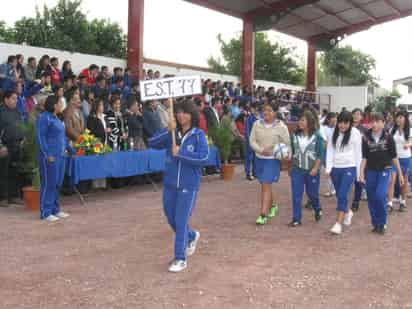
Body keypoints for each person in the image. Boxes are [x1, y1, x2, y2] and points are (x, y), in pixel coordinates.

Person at [149, 99, 209, 273]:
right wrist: (168, 130)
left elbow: (204, 158)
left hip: (188, 185)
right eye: (179, 112)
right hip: (169, 184)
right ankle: (192, 236)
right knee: (172, 219)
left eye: (185, 112)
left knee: (181, 221)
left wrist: (181, 153)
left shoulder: (198, 135)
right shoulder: (172, 133)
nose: (181, 115)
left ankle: (180, 258)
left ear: (192, 115)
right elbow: (152, 143)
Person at [360, 112, 403, 235]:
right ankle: (376, 223)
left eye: (378, 121)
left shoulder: (389, 137)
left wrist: (399, 173)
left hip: (385, 170)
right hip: (371, 171)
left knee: (380, 195)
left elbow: (394, 157)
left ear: (384, 123)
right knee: (372, 198)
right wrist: (361, 173)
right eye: (373, 121)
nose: (375, 124)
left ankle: (383, 222)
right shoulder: (366, 137)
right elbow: (364, 157)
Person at [249, 102, 290, 225]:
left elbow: (287, 143)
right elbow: (252, 140)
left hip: (272, 160)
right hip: (259, 158)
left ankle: (263, 214)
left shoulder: (281, 127)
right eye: (265, 110)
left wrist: (285, 155)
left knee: (265, 184)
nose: (266, 113)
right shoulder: (256, 124)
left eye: (270, 110)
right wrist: (261, 150)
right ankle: (273, 206)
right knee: (264, 184)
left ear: (276, 113)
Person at [37, 95, 73, 222]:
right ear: (54, 105)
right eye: (59, 103)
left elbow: (62, 136)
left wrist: (69, 147)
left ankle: (55, 209)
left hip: (61, 156)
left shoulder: (57, 118)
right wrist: (47, 154)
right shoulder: (44, 118)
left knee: (58, 183)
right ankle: (45, 212)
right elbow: (41, 137)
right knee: (49, 183)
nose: (61, 105)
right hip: (50, 157)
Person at [326, 111, 362, 235]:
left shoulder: (356, 133)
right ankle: (347, 212)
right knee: (340, 195)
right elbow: (330, 150)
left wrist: (358, 173)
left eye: (346, 123)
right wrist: (328, 168)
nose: (342, 125)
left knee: (342, 194)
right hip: (335, 168)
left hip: (349, 167)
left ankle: (338, 223)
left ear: (350, 123)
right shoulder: (332, 133)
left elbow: (359, 153)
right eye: (340, 122)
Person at [289, 110, 325, 227]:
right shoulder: (294, 136)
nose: (300, 122)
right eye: (300, 120)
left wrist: (316, 168)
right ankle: (296, 219)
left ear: (309, 122)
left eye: (303, 120)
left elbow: (320, 154)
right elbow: (292, 152)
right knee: (296, 195)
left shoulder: (317, 137)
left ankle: (317, 207)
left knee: (312, 194)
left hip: (312, 170)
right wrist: (289, 163)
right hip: (297, 169)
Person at [0, 90, 25, 207]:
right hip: (5, 146)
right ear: (6, 99)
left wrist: (22, 140)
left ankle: (14, 196)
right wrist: (1, 146)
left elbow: (21, 127)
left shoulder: (16, 112)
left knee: (15, 172)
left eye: (16, 98)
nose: (16, 100)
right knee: (3, 172)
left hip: (17, 145)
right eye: (13, 98)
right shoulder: (1, 112)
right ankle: (3, 198)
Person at [388, 110, 412, 212]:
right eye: (397, 117)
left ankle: (403, 202)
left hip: (406, 158)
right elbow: (388, 142)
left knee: (404, 182)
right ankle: (390, 203)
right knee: (391, 181)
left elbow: (411, 141)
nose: (399, 119)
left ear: (405, 119)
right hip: (394, 159)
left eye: (401, 117)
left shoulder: (409, 130)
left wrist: (408, 144)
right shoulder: (392, 129)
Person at [351, 108, 368, 211]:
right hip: (348, 158)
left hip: (360, 158)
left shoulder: (364, 130)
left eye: (359, 114)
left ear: (361, 117)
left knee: (358, 180)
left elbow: (367, 144)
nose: (356, 116)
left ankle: (356, 201)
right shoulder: (346, 127)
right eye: (355, 114)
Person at [320, 112, 337, 197]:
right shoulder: (323, 128)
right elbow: (324, 141)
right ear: (328, 120)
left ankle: (333, 188)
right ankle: (329, 189)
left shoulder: (337, 128)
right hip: (326, 152)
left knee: (333, 171)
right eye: (332, 121)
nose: (334, 123)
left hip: (335, 152)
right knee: (328, 171)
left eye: (335, 121)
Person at [244, 102, 259, 180]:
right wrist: (250, 140)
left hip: (258, 141)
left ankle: (255, 172)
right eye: (252, 109)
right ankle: (248, 173)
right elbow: (247, 131)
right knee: (249, 157)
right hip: (251, 141)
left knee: (256, 157)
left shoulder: (261, 118)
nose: (252, 110)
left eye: (253, 109)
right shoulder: (249, 118)